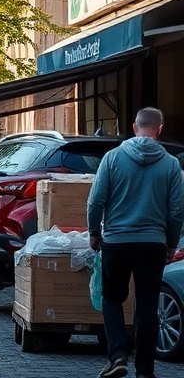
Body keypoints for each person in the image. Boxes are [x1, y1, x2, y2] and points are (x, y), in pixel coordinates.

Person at [87, 107, 184, 378]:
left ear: (134, 127)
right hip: (152, 244)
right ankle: (145, 370)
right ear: (160, 129)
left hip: (116, 242)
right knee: (147, 305)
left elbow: (96, 200)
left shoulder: (112, 158)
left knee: (112, 298)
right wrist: (170, 244)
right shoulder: (171, 164)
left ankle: (117, 356)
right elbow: (177, 210)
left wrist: (94, 232)